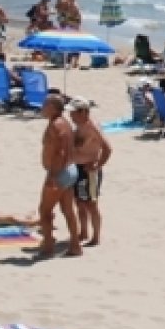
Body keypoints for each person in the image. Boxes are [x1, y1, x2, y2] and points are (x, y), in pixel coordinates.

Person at [36, 94, 84, 257]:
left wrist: (52, 176)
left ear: (53, 108)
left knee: (45, 210)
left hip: (59, 171)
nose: (42, 108)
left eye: (45, 105)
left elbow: (60, 153)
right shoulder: (64, 123)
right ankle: (75, 246)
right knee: (68, 210)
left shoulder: (56, 126)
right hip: (70, 169)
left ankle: (48, 246)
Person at [72, 100, 114, 247]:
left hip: (88, 171)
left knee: (91, 204)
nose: (71, 115)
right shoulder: (79, 126)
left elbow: (107, 148)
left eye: (74, 112)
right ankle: (83, 232)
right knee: (79, 202)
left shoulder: (93, 127)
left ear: (83, 112)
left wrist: (97, 165)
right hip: (77, 168)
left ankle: (96, 237)